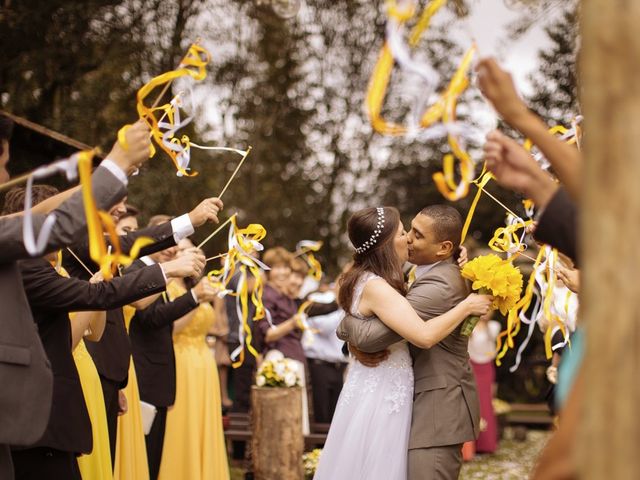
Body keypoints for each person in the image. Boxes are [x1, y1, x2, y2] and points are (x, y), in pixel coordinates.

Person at [0, 118, 151, 480]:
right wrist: (118, 161)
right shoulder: (33, 264)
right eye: (4, 162)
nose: (6, 174)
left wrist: (113, 173)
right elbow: (57, 225)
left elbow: (39, 214)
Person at [314, 206, 492, 480]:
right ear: (385, 246)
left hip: (435, 404)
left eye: (415, 234)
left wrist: (346, 322)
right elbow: (405, 334)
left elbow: (374, 338)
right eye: (404, 232)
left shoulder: (438, 284)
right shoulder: (390, 279)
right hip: (394, 395)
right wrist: (345, 322)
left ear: (442, 248)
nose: (408, 238)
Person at [63, 196, 223, 465]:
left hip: (118, 370)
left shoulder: (121, 264)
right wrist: (177, 276)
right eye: (126, 230)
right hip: (95, 366)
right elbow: (146, 313)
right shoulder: (85, 250)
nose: (124, 235)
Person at [128, 216, 221, 480]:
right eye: (166, 241)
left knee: (153, 457)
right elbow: (151, 319)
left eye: (175, 242)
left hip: (164, 375)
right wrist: (194, 297)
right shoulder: (138, 270)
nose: (171, 248)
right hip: (145, 373)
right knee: (144, 457)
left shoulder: (161, 274)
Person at [158, 238, 230, 480]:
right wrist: (195, 298)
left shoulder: (199, 286)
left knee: (203, 428)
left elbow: (220, 327)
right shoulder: (167, 287)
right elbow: (172, 328)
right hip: (180, 360)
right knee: (182, 427)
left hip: (204, 363)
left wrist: (216, 300)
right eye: (182, 250)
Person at [468, 313, 501, 454]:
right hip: (471, 366)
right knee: (472, 402)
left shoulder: (494, 326)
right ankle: (470, 445)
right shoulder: (469, 326)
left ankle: (486, 444)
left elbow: (492, 350)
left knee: (486, 403)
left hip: (486, 368)